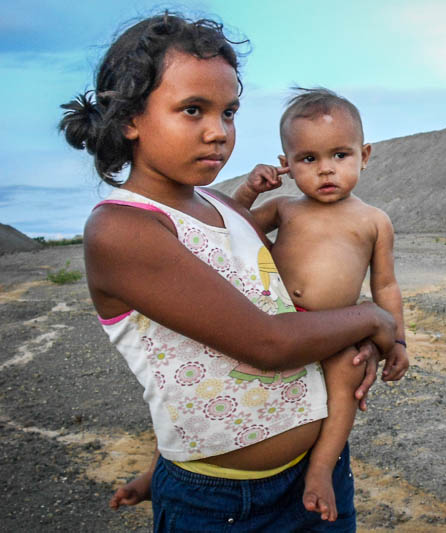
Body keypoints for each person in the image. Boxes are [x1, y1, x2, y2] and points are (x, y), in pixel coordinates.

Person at [59, 12, 396, 532]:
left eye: (229, 112)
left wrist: (362, 339)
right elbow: (268, 342)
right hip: (222, 504)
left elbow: (281, 305)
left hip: (315, 477)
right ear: (129, 118)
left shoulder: (227, 208)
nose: (218, 132)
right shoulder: (122, 230)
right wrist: (372, 318)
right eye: (193, 110)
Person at [232, 87, 409, 521]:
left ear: (364, 155)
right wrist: (247, 192)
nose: (325, 169)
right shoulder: (284, 209)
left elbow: (384, 286)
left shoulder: (373, 220)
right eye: (308, 159)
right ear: (287, 165)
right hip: (272, 322)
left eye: (340, 155)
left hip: (333, 328)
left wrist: (398, 340)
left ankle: (321, 470)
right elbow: (230, 234)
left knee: (344, 383)